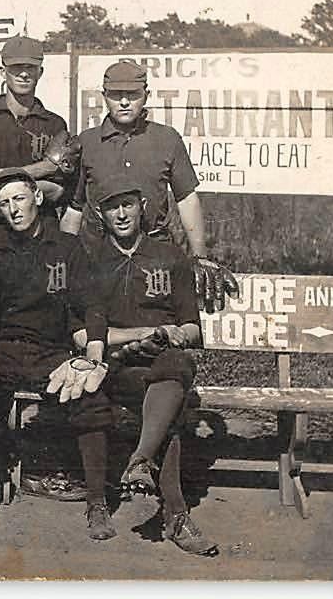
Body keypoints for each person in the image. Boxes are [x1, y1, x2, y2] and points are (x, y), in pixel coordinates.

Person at [0, 169, 112, 537]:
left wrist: (93, 354)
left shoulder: (67, 248)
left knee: (90, 394)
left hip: (52, 352)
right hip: (6, 351)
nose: (13, 209)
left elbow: (93, 305)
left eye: (20, 199)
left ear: (37, 198)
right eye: (5, 204)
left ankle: (98, 504)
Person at [67, 177, 218, 555]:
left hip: (161, 361)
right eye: (111, 207)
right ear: (100, 215)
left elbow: (191, 327)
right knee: (119, 400)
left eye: (128, 205)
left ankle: (142, 464)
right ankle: (102, 506)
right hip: (116, 365)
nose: (121, 214)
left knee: (176, 369)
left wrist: (169, 334)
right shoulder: (92, 261)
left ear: (141, 208)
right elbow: (83, 334)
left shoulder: (169, 257)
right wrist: (140, 333)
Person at [60, 59, 238, 313]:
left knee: (160, 328)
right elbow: (74, 209)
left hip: (156, 254)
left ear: (146, 95)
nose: (123, 102)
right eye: (116, 95)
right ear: (104, 96)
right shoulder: (87, 142)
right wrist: (64, 260)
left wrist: (200, 257)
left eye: (132, 95)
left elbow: (186, 199)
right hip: (100, 256)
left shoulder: (167, 139)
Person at [0, 36, 74, 243]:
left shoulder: (54, 124)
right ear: (3, 72)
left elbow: (58, 191)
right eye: (16, 68)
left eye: (30, 68)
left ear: (40, 72)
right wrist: (45, 168)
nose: (23, 74)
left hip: (42, 228)